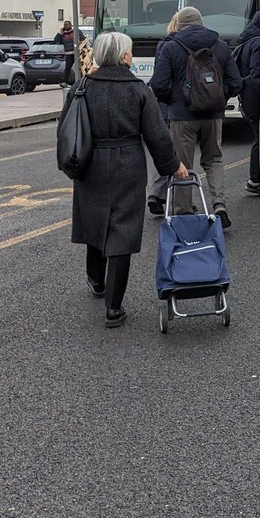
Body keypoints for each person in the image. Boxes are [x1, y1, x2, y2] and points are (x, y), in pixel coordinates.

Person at [63, 32, 188, 329]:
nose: (132, 56)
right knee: (122, 231)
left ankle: (96, 279)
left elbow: (66, 127)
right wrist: (173, 166)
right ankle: (114, 308)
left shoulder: (82, 86)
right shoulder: (138, 90)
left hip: (90, 163)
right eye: (130, 51)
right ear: (122, 56)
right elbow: (157, 135)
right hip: (127, 164)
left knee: (95, 222)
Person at [149, 6, 242, 223]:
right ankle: (219, 205)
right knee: (214, 159)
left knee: (182, 163)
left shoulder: (171, 48)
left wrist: (173, 101)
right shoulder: (220, 46)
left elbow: (159, 84)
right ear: (201, 23)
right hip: (213, 115)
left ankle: (183, 212)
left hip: (182, 117)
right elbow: (236, 82)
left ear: (179, 25)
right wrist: (220, 98)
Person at [146, 12, 183, 215]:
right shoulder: (182, 46)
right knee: (179, 150)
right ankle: (178, 197)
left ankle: (155, 193)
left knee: (163, 148)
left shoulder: (163, 44)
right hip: (177, 104)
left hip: (161, 103)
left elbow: (158, 78)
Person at [236, 10, 260, 197]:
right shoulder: (259, 43)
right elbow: (256, 74)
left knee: (257, 137)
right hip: (255, 97)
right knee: (259, 138)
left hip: (246, 96)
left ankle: (256, 179)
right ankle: (255, 179)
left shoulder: (245, 41)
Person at [54, 20, 82, 88]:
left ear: (70, 25)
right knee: (67, 68)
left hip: (77, 53)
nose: (66, 26)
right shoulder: (63, 34)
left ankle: (82, 80)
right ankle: (64, 82)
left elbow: (82, 38)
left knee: (80, 67)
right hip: (68, 54)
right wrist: (60, 33)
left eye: (67, 24)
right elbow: (56, 40)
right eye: (65, 25)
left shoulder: (75, 31)